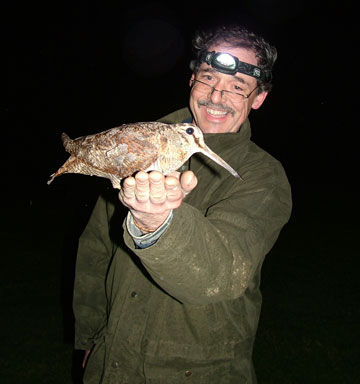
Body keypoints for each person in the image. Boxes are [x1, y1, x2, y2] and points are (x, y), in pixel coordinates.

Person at [73, 23, 292, 383]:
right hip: (110, 364)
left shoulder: (263, 177)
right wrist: (90, 337)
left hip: (199, 372)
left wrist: (158, 225)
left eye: (237, 87)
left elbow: (222, 273)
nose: (216, 97)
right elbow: (97, 248)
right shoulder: (137, 148)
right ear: (192, 80)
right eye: (208, 78)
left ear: (258, 98)